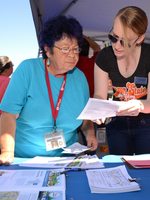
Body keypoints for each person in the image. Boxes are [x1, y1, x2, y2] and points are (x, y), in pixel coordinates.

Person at [0, 15, 98, 164]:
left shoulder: (80, 78)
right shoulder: (28, 70)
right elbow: (8, 115)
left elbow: (85, 119)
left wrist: (90, 134)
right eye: (65, 49)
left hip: (65, 160)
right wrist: (7, 152)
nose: (72, 55)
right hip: (25, 159)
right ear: (47, 49)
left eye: (76, 49)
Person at [94, 6, 150, 155]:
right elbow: (99, 95)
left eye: (124, 42)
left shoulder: (148, 56)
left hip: (146, 124)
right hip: (116, 124)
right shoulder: (104, 57)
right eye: (113, 37)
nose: (116, 46)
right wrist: (98, 109)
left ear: (140, 38)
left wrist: (138, 104)